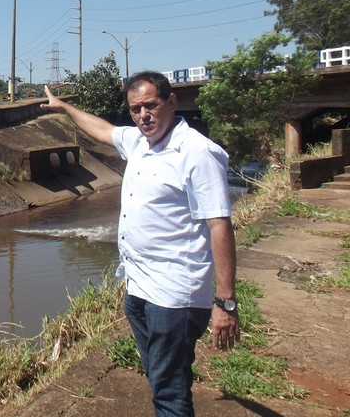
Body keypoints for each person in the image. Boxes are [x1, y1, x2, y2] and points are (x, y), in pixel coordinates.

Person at [41, 71, 240, 417]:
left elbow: (219, 225)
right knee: (161, 376)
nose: (143, 115)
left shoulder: (197, 152)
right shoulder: (138, 142)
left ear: (172, 102)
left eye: (151, 105)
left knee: (169, 393)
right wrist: (63, 108)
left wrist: (226, 302)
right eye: (135, 109)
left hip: (175, 295)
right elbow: (103, 130)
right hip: (139, 290)